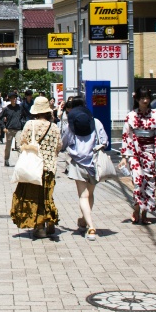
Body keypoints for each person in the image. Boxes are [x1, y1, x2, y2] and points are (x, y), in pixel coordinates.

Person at [10, 96, 61, 239]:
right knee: (47, 195)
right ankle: (49, 220)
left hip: (33, 167)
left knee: (33, 197)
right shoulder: (55, 127)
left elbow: (22, 143)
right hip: (49, 167)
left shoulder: (30, 124)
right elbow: (59, 146)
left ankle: (39, 227)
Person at [60, 97, 109, 241]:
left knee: (83, 196)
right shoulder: (96, 122)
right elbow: (104, 140)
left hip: (78, 164)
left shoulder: (71, 125)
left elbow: (64, 143)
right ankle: (84, 220)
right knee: (90, 194)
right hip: (94, 163)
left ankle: (91, 226)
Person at [121, 86, 156, 224]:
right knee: (138, 182)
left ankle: (145, 213)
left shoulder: (155, 116)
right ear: (137, 99)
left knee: (149, 183)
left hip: (150, 153)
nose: (145, 101)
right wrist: (124, 156)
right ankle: (136, 208)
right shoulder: (131, 116)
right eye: (142, 98)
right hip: (135, 152)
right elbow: (126, 136)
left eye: (147, 98)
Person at [0, 92, 27, 166]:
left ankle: (20, 162)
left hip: (18, 129)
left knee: (19, 146)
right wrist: (3, 127)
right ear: (10, 99)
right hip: (9, 129)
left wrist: (23, 124)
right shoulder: (7, 109)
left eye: (15, 98)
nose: (14, 99)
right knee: (8, 146)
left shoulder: (20, 108)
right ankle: (6, 160)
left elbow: (25, 116)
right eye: (13, 98)